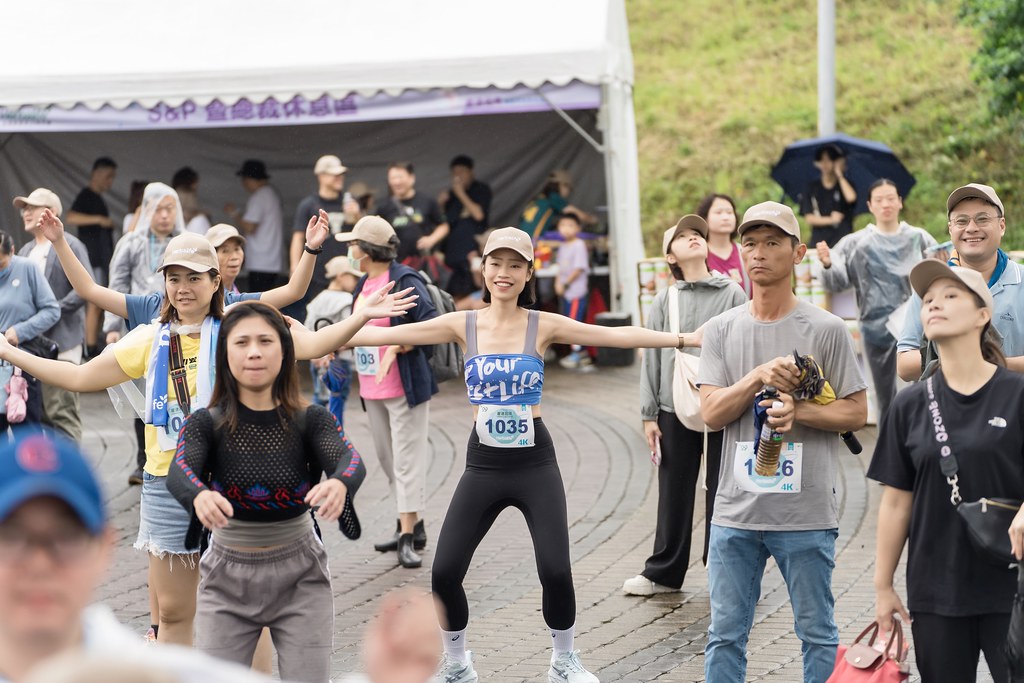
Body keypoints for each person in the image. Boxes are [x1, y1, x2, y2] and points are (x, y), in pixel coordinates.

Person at [293, 226, 693, 683]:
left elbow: (618, 337)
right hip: (482, 462)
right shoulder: (462, 323)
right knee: (444, 573)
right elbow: (377, 339)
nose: (504, 273)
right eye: (496, 264)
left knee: (556, 571)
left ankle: (564, 661)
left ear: (528, 274)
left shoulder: (543, 324)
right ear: (483, 269)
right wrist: (327, 332)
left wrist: (684, 340)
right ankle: (459, 664)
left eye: (515, 266)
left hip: (535, 462)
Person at [697, 201, 867, 683]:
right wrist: (755, 377)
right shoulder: (723, 330)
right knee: (725, 634)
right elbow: (711, 413)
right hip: (735, 513)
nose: (758, 253)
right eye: (749, 243)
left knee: (817, 633)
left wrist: (801, 411)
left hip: (806, 514)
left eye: (773, 243)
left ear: (797, 254)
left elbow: (856, 411)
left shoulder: (827, 329)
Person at [168, 301, 367, 682]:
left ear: (285, 350)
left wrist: (340, 483)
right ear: (225, 353)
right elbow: (180, 469)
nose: (254, 351)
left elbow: (349, 460)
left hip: (301, 576)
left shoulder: (311, 419)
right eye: (242, 342)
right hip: (226, 575)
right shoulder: (204, 424)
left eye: (265, 340)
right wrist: (198, 495)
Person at [0, 430, 276, 683]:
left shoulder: (165, 675)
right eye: (11, 537)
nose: (39, 564)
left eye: (64, 538)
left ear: (103, 549)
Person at [870, 261, 1024, 683]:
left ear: (982, 315)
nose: (935, 304)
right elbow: (896, 502)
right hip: (936, 589)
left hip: (1013, 587)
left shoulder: (1018, 393)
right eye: (928, 299)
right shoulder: (909, 404)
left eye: (950, 295)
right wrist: (883, 586)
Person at [623, 215, 746, 597]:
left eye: (698, 235)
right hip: (672, 405)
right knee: (674, 489)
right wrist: (649, 414)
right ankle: (663, 573)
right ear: (670, 255)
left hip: (723, 401)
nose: (693, 239)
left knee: (724, 488)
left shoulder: (734, 293)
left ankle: (724, 569)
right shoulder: (666, 298)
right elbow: (652, 356)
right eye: (683, 237)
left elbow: (743, 347)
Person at [329, 216, 438, 569]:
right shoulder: (365, 281)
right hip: (372, 387)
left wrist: (397, 347)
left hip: (402, 385)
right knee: (389, 460)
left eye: (352, 244)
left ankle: (407, 536)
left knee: (407, 461)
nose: (349, 250)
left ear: (368, 249)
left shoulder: (404, 279)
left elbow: (429, 324)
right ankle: (412, 524)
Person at [816, 179, 937, 422]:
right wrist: (828, 263)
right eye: (879, 200)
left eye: (891, 198)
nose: (886, 204)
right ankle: (889, 454)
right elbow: (836, 282)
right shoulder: (857, 243)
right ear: (870, 206)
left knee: (920, 392)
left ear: (900, 202)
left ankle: (919, 450)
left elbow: (938, 272)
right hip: (875, 330)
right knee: (884, 398)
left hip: (916, 328)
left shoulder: (919, 239)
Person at [897, 183, 1024, 381]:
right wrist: (950, 357)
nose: (972, 228)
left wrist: (991, 364)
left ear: (1002, 226)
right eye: (961, 221)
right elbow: (904, 366)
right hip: (950, 408)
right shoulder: (932, 284)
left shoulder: (1021, 280)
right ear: (950, 229)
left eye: (982, 219)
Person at [103, 182, 185, 485]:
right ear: (147, 209)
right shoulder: (131, 242)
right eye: (159, 208)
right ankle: (144, 459)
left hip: (180, 328)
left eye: (170, 209)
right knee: (147, 395)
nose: (165, 215)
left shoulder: (183, 242)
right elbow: (117, 285)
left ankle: (182, 454)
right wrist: (112, 328)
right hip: (140, 328)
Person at [13, 189, 92, 442]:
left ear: (53, 212)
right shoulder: (24, 251)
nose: (26, 212)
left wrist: (50, 311)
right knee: (38, 415)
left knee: (62, 414)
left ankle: (68, 476)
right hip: (28, 348)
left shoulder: (69, 244)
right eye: (24, 208)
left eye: (33, 207)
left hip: (63, 343)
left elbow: (86, 289)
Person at [0, 230, 60, 435]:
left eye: (1, 264)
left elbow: (52, 310)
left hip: (21, 365)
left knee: (26, 435)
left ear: (12, 252)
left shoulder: (27, 269)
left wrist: (20, 330)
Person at [289, 154, 361, 300]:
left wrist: (357, 216)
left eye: (341, 175)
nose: (339, 178)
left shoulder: (350, 201)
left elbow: (363, 232)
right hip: (316, 272)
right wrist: (294, 267)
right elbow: (298, 237)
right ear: (321, 176)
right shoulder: (308, 205)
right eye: (335, 175)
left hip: (348, 272)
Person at [64, 156, 117, 357]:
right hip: (91, 258)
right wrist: (100, 220)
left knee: (97, 303)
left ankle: (92, 345)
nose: (110, 181)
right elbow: (70, 216)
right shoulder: (86, 195)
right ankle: (90, 348)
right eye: (108, 176)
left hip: (100, 259)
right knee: (94, 301)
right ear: (96, 174)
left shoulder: (97, 198)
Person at [305, 255, 362, 428]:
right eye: (353, 277)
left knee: (319, 399)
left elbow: (307, 330)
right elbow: (349, 334)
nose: (355, 282)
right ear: (341, 276)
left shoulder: (317, 300)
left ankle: (313, 436)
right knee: (336, 400)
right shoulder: (346, 301)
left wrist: (315, 352)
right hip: (338, 361)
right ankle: (336, 439)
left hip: (317, 360)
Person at [375, 162, 449, 271]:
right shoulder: (384, 207)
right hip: (396, 264)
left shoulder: (426, 201)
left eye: (400, 177)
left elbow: (444, 226)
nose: (397, 182)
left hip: (423, 263)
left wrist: (431, 240)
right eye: (393, 178)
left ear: (411, 178)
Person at [224, 160, 283, 292]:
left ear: (249, 178)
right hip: (270, 260)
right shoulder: (272, 193)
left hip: (260, 261)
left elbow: (250, 226)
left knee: (257, 302)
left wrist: (233, 213)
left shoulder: (260, 196)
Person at [439, 155, 492, 300]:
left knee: (473, 291)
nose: (458, 175)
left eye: (462, 171)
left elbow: (478, 214)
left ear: (471, 171)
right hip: (452, 252)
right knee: (453, 293)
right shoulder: (450, 195)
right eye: (455, 172)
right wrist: (442, 205)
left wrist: (460, 192)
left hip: (472, 250)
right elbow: (447, 222)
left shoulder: (481, 189)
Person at [553, 213, 593, 370]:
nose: (566, 229)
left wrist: (565, 284)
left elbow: (578, 268)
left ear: (578, 228)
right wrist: (558, 283)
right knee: (568, 320)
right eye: (563, 225)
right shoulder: (563, 246)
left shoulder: (579, 245)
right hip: (566, 292)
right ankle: (580, 355)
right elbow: (559, 269)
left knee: (574, 323)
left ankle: (578, 353)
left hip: (576, 291)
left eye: (570, 225)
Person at [799, 144, 857, 248]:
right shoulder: (811, 187)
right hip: (819, 243)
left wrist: (839, 174)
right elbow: (809, 218)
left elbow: (851, 197)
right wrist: (831, 220)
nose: (825, 164)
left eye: (829, 160)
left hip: (843, 242)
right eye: (822, 160)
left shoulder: (845, 184)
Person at [695, 193, 749, 296]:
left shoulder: (745, 252)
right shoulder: (698, 255)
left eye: (729, 212)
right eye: (718, 212)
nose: (725, 217)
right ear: (705, 218)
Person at [518, 170, 596, 241]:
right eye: (569, 189)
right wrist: (593, 220)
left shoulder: (537, 199)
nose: (568, 193)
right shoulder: (554, 198)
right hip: (534, 240)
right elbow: (579, 215)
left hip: (521, 239)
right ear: (563, 185)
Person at [171, 167, 210, 235]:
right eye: (196, 181)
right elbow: (181, 214)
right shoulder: (181, 193)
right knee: (200, 220)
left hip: (187, 230)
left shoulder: (189, 194)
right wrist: (198, 214)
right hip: (183, 231)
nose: (197, 184)